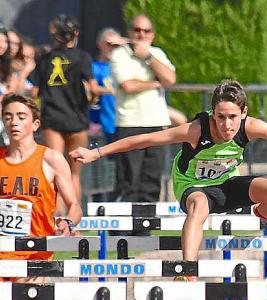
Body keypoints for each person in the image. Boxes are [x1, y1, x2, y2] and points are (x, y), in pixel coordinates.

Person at [70, 79, 267, 261]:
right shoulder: (195, 131)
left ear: (244, 114)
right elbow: (143, 140)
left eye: (233, 118)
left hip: (227, 185)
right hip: (193, 188)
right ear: (213, 114)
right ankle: (188, 269)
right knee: (199, 206)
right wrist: (96, 152)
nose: (227, 125)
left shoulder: (250, 127)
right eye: (221, 117)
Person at [0, 93, 81, 300]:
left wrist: (68, 221)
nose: (13, 121)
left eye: (20, 116)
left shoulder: (51, 159)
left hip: (34, 254)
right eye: (8, 116)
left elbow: (73, 204)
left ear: (34, 124)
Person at [109, 14, 176, 202]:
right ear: (130, 32)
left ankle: (146, 225)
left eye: (146, 31)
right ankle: (123, 229)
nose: (141, 35)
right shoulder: (119, 54)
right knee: (129, 180)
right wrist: (155, 83)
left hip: (155, 124)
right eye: (137, 30)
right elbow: (128, 86)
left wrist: (147, 56)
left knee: (151, 180)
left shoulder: (158, 53)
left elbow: (170, 79)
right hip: (129, 124)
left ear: (152, 34)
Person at [31, 15, 98, 200]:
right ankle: (74, 225)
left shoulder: (45, 58)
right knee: (74, 175)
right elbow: (93, 88)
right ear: (75, 33)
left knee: (56, 171)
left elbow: (35, 92)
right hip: (77, 119)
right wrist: (90, 101)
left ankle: (57, 222)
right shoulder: (82, 57)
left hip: (53, 118)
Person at [90, 28, 124, 145]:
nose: (112, 48)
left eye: (116, 45)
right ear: (100, 44)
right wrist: (107, 90)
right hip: (101, 127)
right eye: (109, 44)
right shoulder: (94, 67)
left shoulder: (126, 67)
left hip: (125, 123)